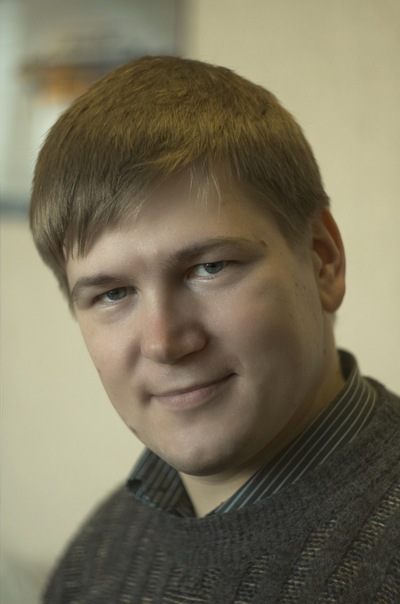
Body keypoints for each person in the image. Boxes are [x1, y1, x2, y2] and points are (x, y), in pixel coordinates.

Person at [30, 56, 399, 603]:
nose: (164, 342)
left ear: (323, 261)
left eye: (210, 267)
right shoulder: (97, 555)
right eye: (113, 293)